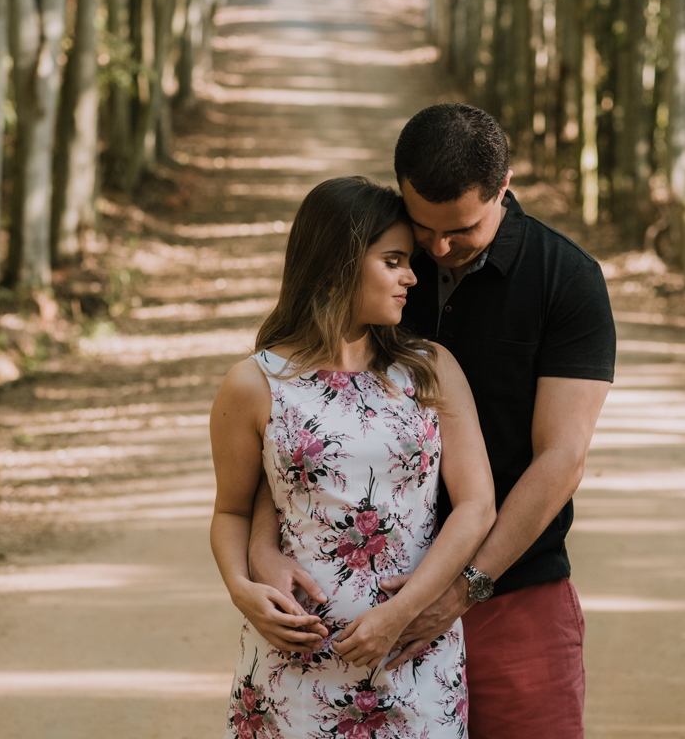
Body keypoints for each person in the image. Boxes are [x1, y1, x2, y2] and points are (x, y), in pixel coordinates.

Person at [250, 105, 615, 739]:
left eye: (462, 229)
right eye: (425, 228)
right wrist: (259, 554)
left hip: (510, 588)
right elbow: (291, 431)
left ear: (503, 188)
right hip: (365, 600)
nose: (438, 249)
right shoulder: (377, 264)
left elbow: (561, 458)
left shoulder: (566, 279)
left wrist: (459, 592)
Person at [210, 176, 496, 739]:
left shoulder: (428, 368)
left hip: (412, 661)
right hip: (292, 670)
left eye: (408, 261)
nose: (412, 276)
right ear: (339, 262)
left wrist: (403, 612)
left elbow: (477, 506)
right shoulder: (255, 383)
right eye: (393, 260)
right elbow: (232, 512)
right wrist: (242, 590)